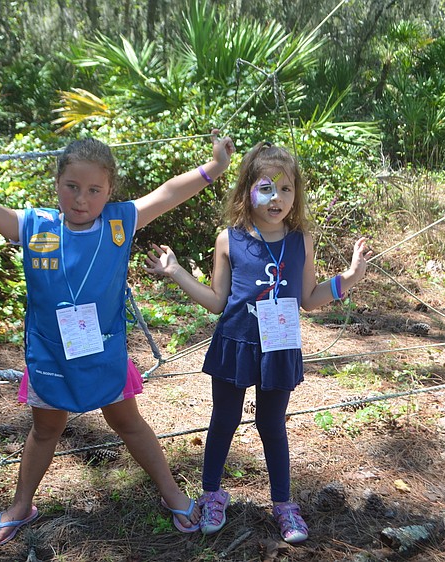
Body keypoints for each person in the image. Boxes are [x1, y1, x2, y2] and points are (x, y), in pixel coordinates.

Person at [0, 130, 235, 544]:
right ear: (57, 184)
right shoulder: (33, 225)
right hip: (51, 356)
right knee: (45, 431)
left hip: (103, 353)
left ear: (109, 190)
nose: (82, 199)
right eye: (72, 187)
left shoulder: (121, 221)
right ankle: (22, 504)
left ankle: (171, 492)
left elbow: (169, 192)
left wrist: (215, 167)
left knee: (128, 423)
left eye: (94, 190)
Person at [144, 141, 371, 542]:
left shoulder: (301, 240)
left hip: (279, 347)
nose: (277, 198)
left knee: (272, 424)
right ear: (247, 189)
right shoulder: (228, 240)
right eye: (266, 187)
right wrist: (176, 271)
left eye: (286, 190)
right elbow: (216, 301)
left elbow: (308, 297)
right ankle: (212, 494)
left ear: (296, 194)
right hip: (236, 342)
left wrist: (348, 279)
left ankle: (284, 504)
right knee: (224, 420)